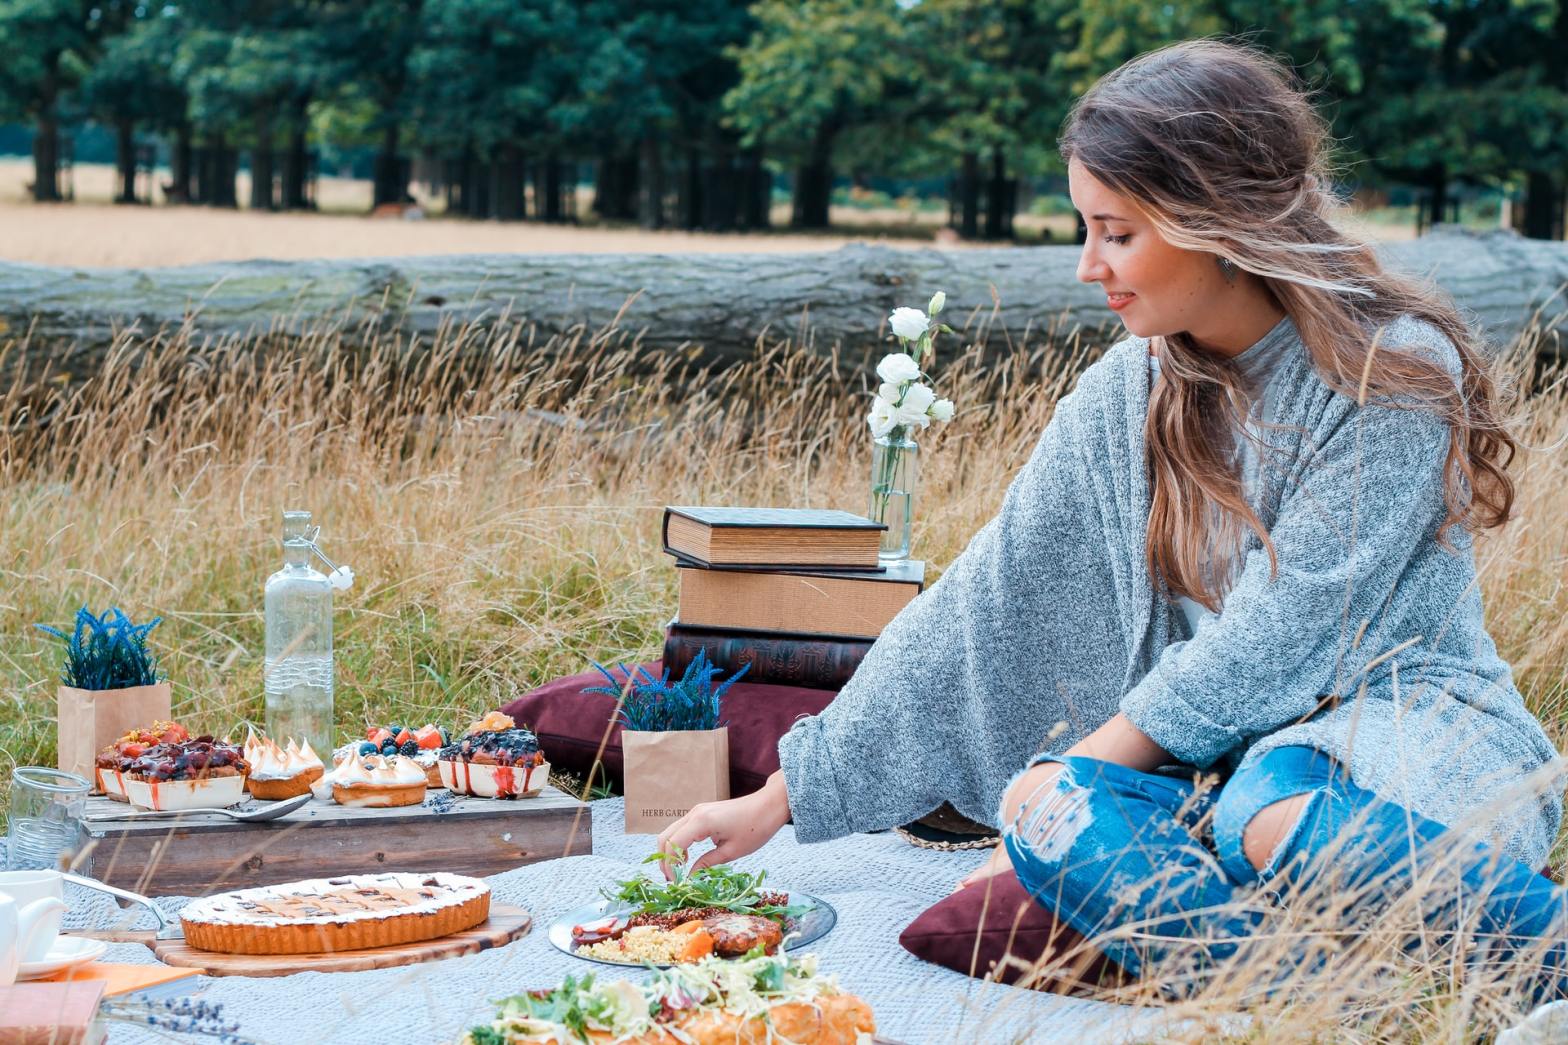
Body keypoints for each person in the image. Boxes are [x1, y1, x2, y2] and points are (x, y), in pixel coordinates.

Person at [658, 40, 1564, 993]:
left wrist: (1067, 785)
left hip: (1400, 734)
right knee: (1051, 806)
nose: (1089, 265)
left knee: (1251, 804)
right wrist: (782, 795)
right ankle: (1303, 996)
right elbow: (984, 598)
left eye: (1117, 232)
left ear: (1217, 220)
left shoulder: (1390, 371)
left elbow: (1283, 632)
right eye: (1085, 228)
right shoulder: (1128, 388)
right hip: (1211, 767)